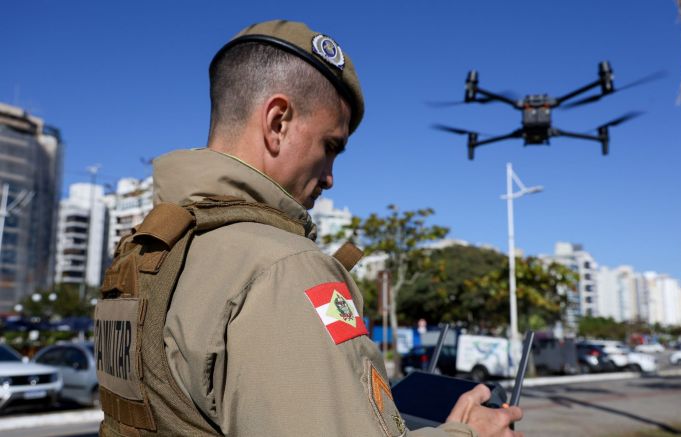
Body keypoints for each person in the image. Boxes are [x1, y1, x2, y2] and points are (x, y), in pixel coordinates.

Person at [96, 20, 523, 436]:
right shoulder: (283, 269)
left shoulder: (149, 254)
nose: (330, 177)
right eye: (330, 146)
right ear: (277, 122)